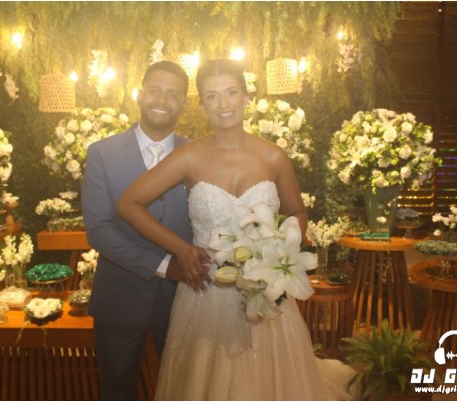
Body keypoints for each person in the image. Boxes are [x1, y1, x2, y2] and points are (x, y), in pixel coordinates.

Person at [118, 59, 355, 400]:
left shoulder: (273, 157)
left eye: (231, 93)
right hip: (205, 291)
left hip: (266, 291)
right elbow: (129, 203)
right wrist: (181, 249)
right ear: (202, 106)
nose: (223, 104)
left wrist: (280, 249)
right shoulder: (189, 156)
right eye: (212, 96)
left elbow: (297, 212)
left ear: (246, 98)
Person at [81, 60, 210, 401]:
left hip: (185, 298)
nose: (162, 100)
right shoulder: (103, 153)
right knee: (117, 392)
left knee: (187, 391)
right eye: (154, 90)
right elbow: (98, 230)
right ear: (139, 94)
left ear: (183, 104)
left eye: (173, 94)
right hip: (120, 298)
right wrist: (165, 265)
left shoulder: (199, 154)